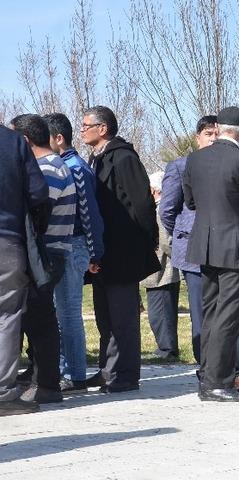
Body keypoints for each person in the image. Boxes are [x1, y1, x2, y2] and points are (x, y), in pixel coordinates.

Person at [182, 106, 239, 402]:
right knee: (228, 315)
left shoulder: (194, 160)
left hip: (205, 245)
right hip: (234, 247)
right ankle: (218, 383)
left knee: (210, 313)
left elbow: (191, 202)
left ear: (219, 128)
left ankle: (207, 377)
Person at [83, 105, 160, 393]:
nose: (81, 131)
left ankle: (127, 375)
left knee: (123, 317)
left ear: (102, 128)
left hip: (123, 250)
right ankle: (108, 370)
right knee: (105, 316)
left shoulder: (123, 158)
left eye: (85, 125)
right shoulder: (96, 159)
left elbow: (141, 204)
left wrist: (145, 241)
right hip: (104, 251)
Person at [10, 114, 75, 404]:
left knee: (40, 318)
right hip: (51, 250)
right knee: (34, 316)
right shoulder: (53, 165)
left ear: (24, 141)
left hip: (47, 251)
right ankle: (38, 373)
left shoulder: (48, 168)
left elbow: (38, 210)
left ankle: (47, 383)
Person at [43, 112, 104, 393]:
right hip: (67, 245)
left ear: (58, 138)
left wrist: (95, 252)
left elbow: (89, 212)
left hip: (74, 243)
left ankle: (76, 375)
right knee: (60, 312)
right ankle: (67, 370)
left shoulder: (75, 167)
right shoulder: (66, 164)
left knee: (68, 313)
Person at [160, 115, 218, 364]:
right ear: (198, 138)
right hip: (194, 252)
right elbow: (167, 211)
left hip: (225, 249)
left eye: (218, 134)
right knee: (200, 312)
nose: (213, 139)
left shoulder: (229, 165)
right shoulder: (181, 166)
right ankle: (205, 366)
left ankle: (233, 368)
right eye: (208, 134)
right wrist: (186, 233)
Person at [0, 124, 49, 416]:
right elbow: (38, 193)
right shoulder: (14, 143)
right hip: (6, 239)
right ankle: (3, 392)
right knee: (6, 315)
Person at [142, 171, 181, 361]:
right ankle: (165, 347)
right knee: (161, 312)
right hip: (161, 272)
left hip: (162, 272)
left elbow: (166, 242)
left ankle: (168, 349)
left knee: (160, 314)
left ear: (155, 190)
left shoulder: (160, 211)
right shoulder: (161, 209)